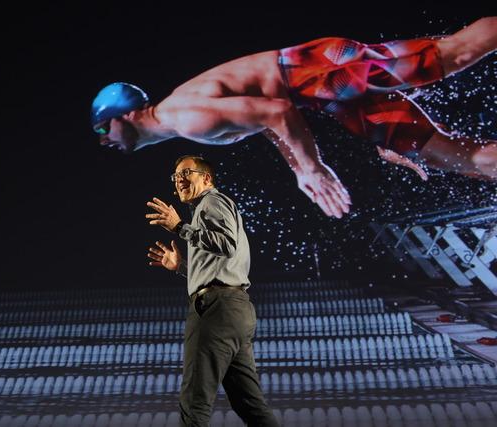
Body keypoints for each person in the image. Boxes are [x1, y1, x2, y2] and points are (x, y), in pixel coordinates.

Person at [92, 17, 497, 218]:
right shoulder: (182, 120)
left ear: (127, 114)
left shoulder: (187, 118)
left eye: (103, 127)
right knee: (447, 156)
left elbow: (279, 111)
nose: (103, 140)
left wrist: (313, 169)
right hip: (325, 96)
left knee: (453, 53)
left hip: (321, 70)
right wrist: (301, 169)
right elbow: (267, 121)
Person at [145, 155, 278, 426]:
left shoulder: (211, 202)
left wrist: (180, 227)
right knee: (250, 406)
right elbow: (219, 266)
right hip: (233, 310)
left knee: (194, 403)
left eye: (186, 173)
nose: (179, 180)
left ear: (206, 178)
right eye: (175, 176)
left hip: (217, 310)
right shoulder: (208, 209)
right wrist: (182, 267)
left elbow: (226, 245)